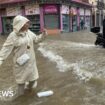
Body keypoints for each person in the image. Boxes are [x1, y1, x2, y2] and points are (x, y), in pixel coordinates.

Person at [0, 15, 48, 98]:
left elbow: (36, 39)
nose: (28, 25)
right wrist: (0, 59)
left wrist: (43, 34)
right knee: (21, 83)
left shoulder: (28, 32)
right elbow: (6, 49)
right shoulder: (13, 36)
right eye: (26, 23)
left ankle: (29, 93)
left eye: (28, 23)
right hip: (20, 64)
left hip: (31, 62)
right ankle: (21, 99)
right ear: (20, 24)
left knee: (33, 79)